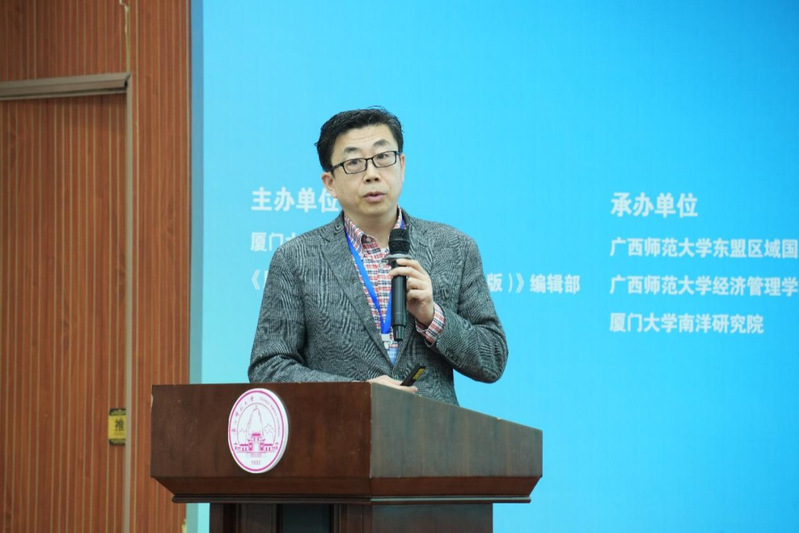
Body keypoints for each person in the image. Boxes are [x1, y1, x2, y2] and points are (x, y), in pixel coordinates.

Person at [248, 107, 507, 405]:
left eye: (383, 157)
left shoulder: (455, 247)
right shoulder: (296, 258)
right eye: (354, 163)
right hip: (343, 431)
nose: (372, 174)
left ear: (402, 166)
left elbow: (493, 358)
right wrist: (356, 392)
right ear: (330, 183)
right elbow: (268, 367)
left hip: (434, 432)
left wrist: (433, 317)